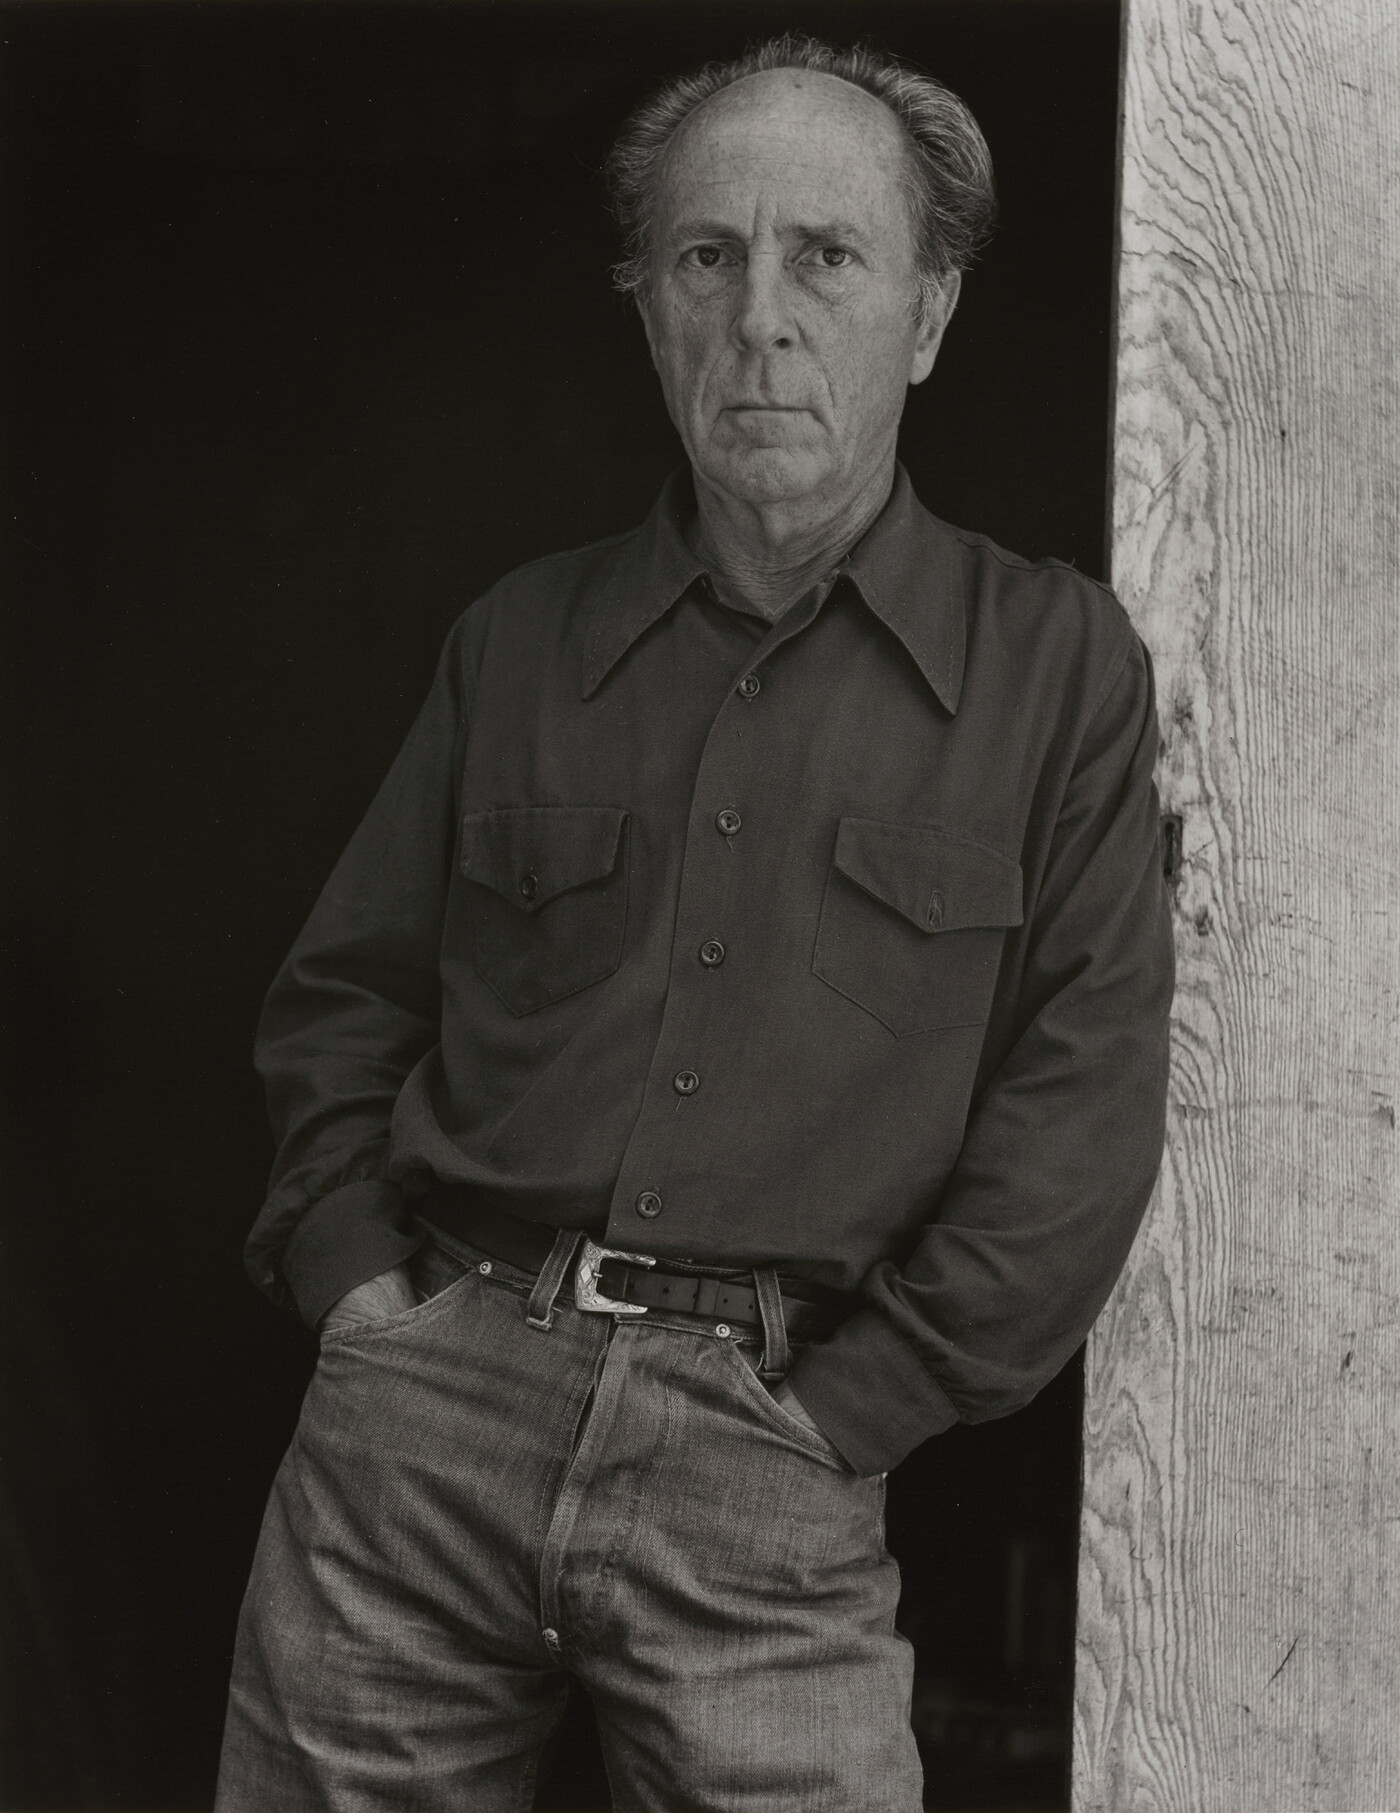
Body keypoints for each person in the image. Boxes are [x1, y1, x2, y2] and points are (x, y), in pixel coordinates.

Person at [216, 33, 1173, 1813]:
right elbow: (342, 1000)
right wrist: (364, 1298)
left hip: (774, 1452)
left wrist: (854, 1413)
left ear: (930, 316)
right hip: (424, 1417)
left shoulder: (1057, 673)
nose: (761, 320)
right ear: (647, 310)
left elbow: (1082, 1115)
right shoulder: (517, 640)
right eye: (706, 258)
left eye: (828, 256)